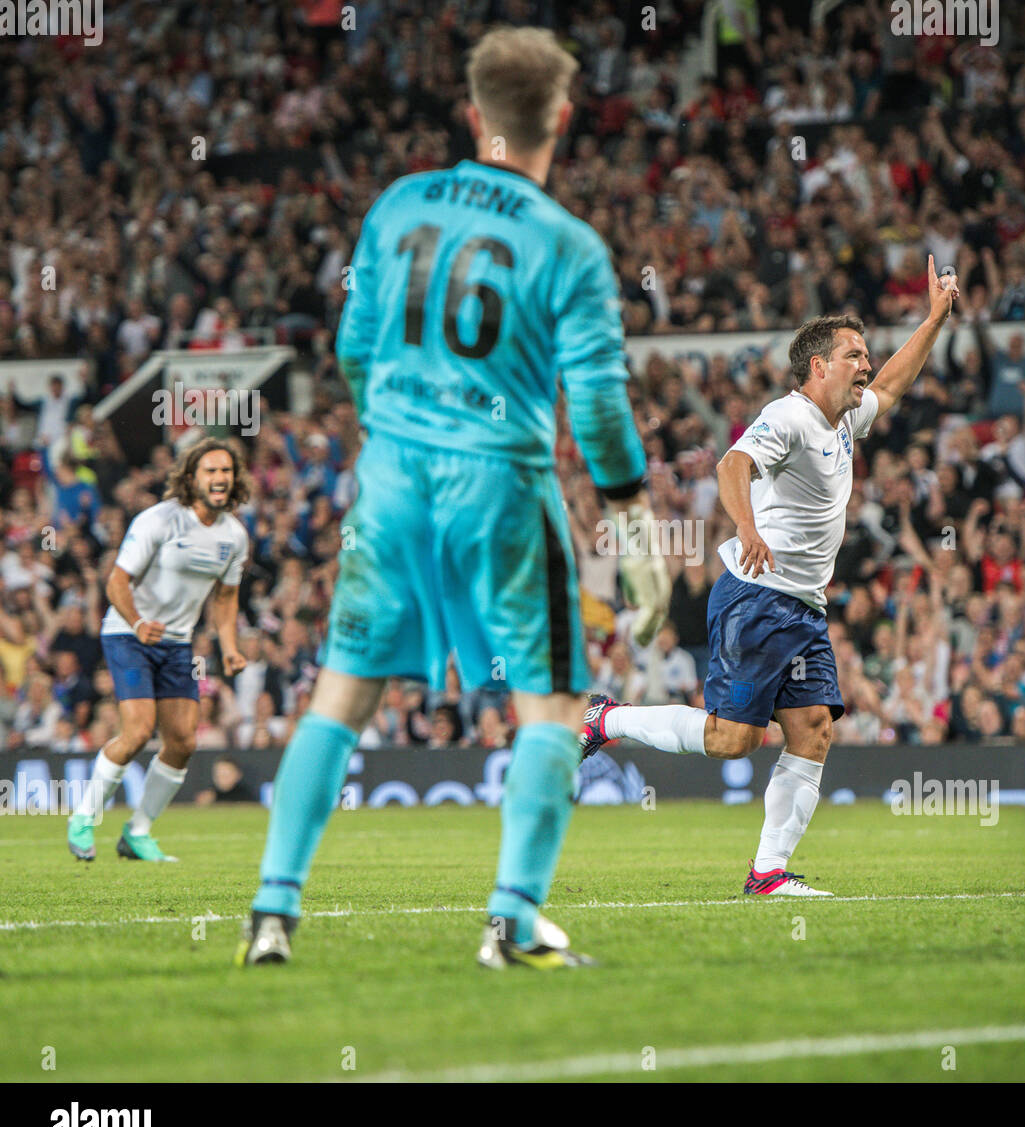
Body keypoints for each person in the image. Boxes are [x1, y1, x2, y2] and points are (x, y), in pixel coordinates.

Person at [237, 26, 669, 969]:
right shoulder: (570, 244)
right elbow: (595, 406)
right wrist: (632, 523)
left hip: (391, 475)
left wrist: (394, 429)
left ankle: (272, 914)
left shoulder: (396, 207)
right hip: (501, 484)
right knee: (551, 707)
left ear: (473, 115)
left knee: (340, 695)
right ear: (561, 117)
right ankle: (511, 924)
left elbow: (353, 349)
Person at [582, 261, 958, 896]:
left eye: (865, 354)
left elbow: (892, 388)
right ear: (819, 366)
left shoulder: (844, 419)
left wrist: (932, 322)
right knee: (734, 739)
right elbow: (733, 465)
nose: (865, 365)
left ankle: (768, 875)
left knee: (813, 730)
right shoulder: (789, 416)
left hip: (804, 608)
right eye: (854, 355)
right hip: (757, 596)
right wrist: (747, 527)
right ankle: (607, 719)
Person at [67, 438, 250, 861]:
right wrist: (137, 623)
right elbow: (116, 581)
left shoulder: (235, 537)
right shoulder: (159, 520)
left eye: (226, 471)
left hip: (177, 643)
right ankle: (84, 818)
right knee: (136, 732)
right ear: (191, 478)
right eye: (211, 471)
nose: (220, 478)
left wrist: (230, 648)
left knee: (183, 740)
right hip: (127, 634)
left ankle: (138, 832)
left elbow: (224, 598)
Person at [195, 755, 260, 805]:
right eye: (219, 773)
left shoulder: (246, 796)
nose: (222, 777)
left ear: (238, 774)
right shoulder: (209, 794)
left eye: (226, 774)